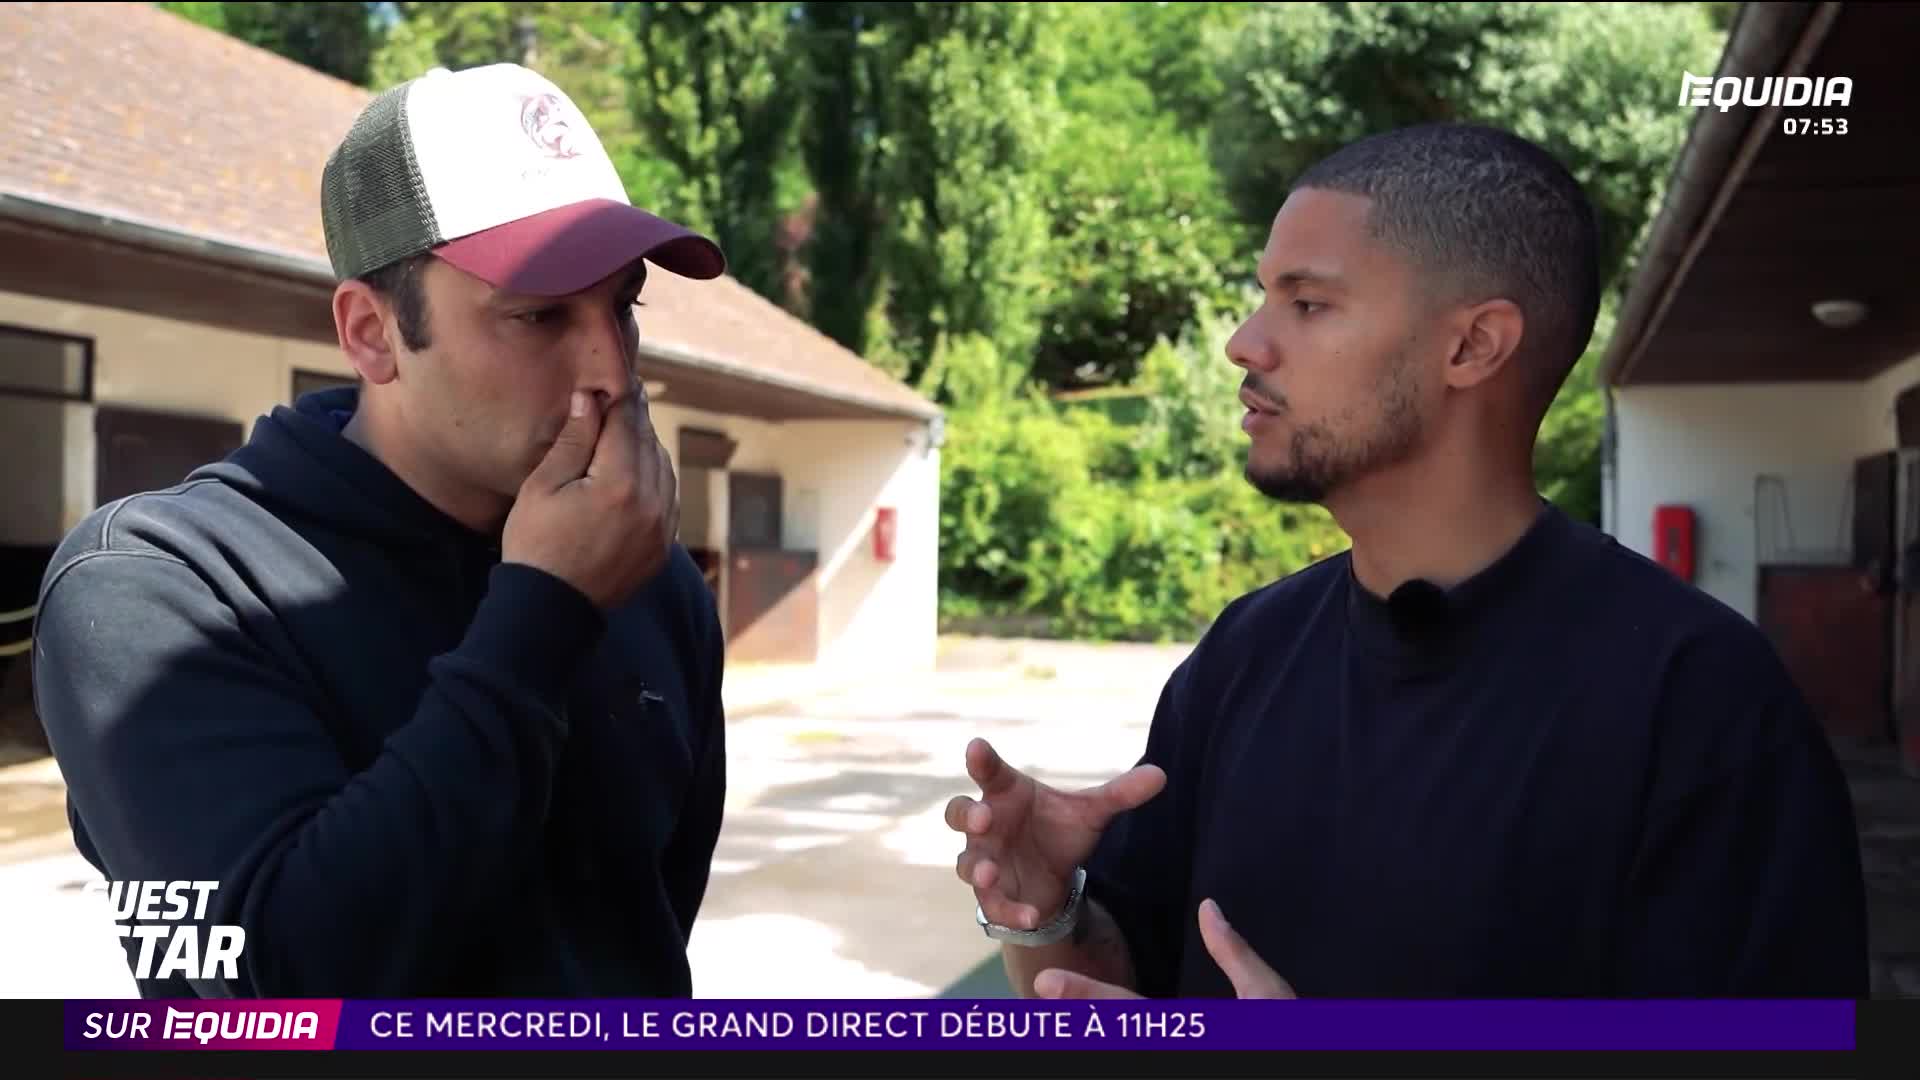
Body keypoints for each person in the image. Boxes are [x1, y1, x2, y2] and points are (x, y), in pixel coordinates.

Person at [947, 122, 1870, 999]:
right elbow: (1118, 982)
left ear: (1471, 344)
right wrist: (1041, 914)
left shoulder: (1702, 705)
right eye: (1265, 295)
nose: (1245, 343)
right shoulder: (1247, 654)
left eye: (1307, 303)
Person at [33, 63, 730, 998]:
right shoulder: (158, 589)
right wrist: (544, 614)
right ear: (370, 334)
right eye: (539, 315)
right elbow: (267, 992)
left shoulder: (649, 580)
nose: (611, 368)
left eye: (622, 305)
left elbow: (641, 935)